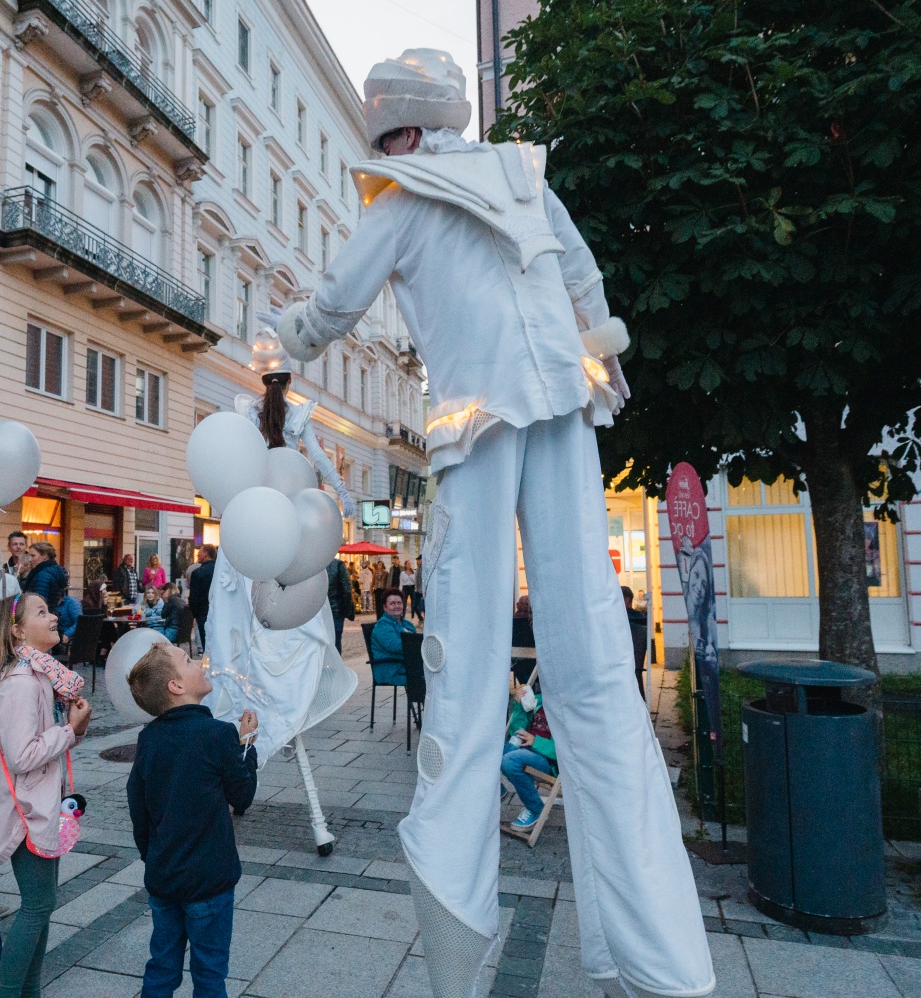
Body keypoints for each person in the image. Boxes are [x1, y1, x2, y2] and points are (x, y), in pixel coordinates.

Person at [271, 48, 711, 996]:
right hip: (561, 400)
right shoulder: (520, 172)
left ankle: (455, 935)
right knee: (592, 649)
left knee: (466, 654)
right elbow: (583, 274)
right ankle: (659, 955)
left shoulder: (401, 198)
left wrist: (285, 335)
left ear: (400, 129)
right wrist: (602, 360)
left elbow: (338, 301)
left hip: (475, 420)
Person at [200, 334, 360, 854]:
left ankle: (233, 767)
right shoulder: (296, 418)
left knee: (235, 640)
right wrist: (343, 496)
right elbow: (321, 464)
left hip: (246, 538)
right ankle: (265, 734)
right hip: (286, 540)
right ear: (289, 382)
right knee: (281, 632)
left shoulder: (245, 413)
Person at [125, 642, 258, 998]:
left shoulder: (148, 738)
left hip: (164, 877)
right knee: (210, 972)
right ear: (176, 686)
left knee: (162, 965)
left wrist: (152, 856)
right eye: (188, 660)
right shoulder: (218, 734)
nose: (199, 661)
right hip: (209, 879)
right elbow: (242, 795)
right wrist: (247, 745)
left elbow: (138, 805)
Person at [0, 594, 91, 998]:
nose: (54, 616)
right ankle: (10, 991)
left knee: (42, 905)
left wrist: (73, 728)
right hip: (25, 811)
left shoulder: (41, 677)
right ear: (17, 632)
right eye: (41, 612)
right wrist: (69, 731)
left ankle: (29, 991)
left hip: (40, 804)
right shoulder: (22, 684)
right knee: (38, 905)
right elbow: (22, 755)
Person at [502, 674, 557, 835]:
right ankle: (499, 791)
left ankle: (535, 808)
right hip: (524, 749)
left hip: (546, 760)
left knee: (510, 760)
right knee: (487, 750)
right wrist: (519, 706)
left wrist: (535, 741)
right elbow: (517, 732)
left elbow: (569, 750)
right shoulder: (538, 701)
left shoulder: (569, 709)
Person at [20, 542, 73, 640]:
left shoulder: (42, 574)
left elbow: (39, 601)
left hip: (40, 621)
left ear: (44, 556)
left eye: (33, 555)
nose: (30, 559)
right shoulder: (54, 572)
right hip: (51, 616)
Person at [369, 589, 415, 686]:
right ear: (385, 607)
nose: (397, 606)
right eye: (392, 603)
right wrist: (417, 644)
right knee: (425, 678)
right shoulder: (382, 626)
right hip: (389, 669)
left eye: (399, 603)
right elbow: (395, 646)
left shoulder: (407, 624)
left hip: (405, 665)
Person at [623, 586, 650, 701]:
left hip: (621, 666)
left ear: (626, 600)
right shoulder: (641, 619)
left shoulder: (621, 621)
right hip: (637, 666)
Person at [188, 545, 216, 647]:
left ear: (206, 554)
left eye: (200, 552)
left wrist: (195, 614)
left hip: (203, 612)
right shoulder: (219, 571)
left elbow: (194, 597)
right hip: (219, 611)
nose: (197, 555)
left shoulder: (197, 573)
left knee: (206, 643)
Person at [326, 556, 354, 655]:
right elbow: (347, 590)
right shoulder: (338, 564)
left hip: (318, 612)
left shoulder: (314, 565)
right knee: (336, 641)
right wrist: (347, 610)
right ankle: (336, 663)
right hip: (336, 610)